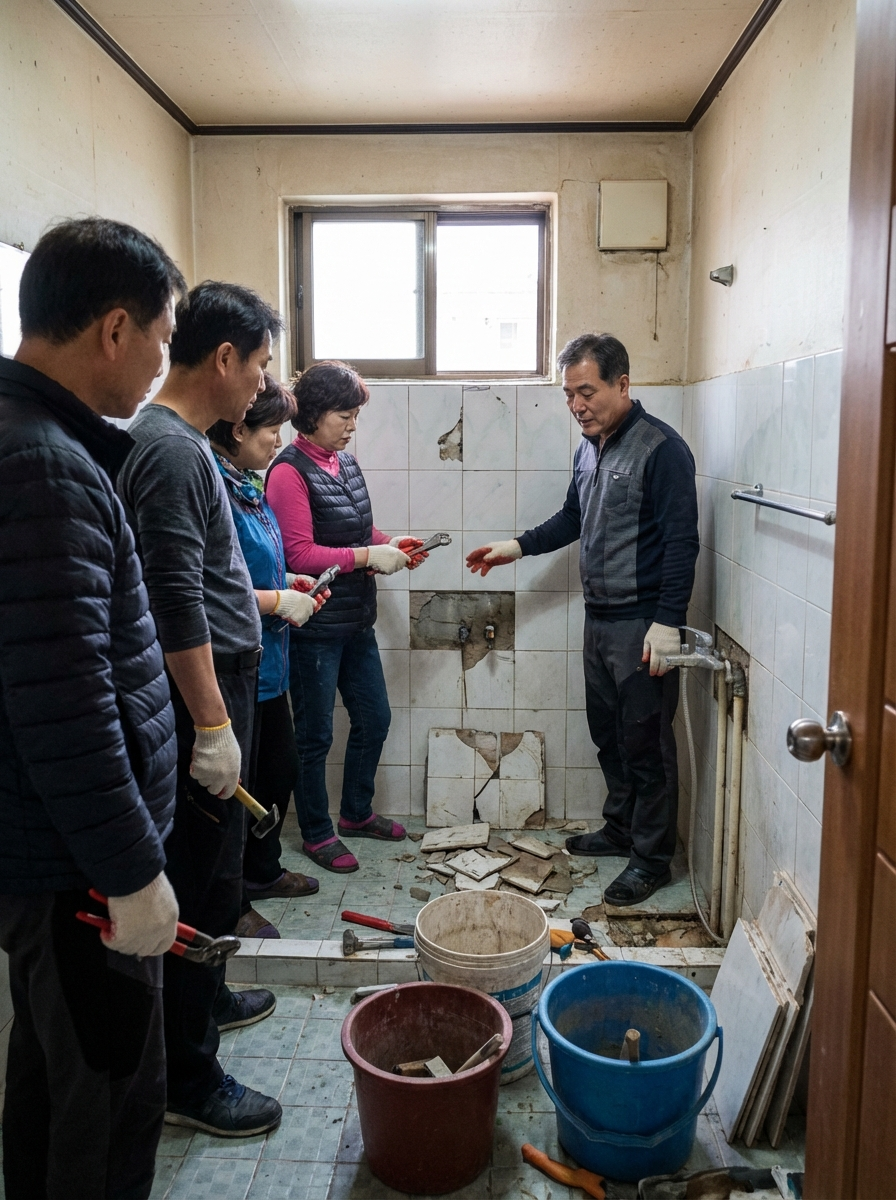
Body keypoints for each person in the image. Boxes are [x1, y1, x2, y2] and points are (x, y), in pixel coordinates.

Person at [0, 217, 184, 1200]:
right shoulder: (47, 465)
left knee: (52, 1080)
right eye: (162, 338)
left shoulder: (35, 440)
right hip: (75, 873)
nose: (160, 364)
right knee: (108, 1108)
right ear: (116, 328)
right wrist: (130, 872)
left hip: (50, 857)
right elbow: (65, 701)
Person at [118, 282, 312, 1138]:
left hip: (227, 679)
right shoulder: (167, 449)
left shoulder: (190, 447)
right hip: (203, 690)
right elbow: (174, 603)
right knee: (198, 875)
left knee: (219, 867)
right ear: (225, 358)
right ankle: (189, 1079)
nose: (262, 383)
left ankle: (208, 997)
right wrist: (211, 724)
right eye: (260, 364)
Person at [466, 333, 699, 907]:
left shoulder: (662, 450)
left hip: (643, 624)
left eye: (586, 392)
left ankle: (651, 860)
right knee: (609, 735)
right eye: (569, 394)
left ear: (622, 384)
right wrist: (516, 547)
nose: (576, 405)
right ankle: (620, 829)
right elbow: (574, 516)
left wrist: (668, 622)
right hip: (600, 619)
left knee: (646, 745)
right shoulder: (590, 448)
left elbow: (682, 543)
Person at [266, 360, 426, 873]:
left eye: (356, 415)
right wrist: (366, 556)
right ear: (313, 414)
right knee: (314, 737)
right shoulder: (288, 472)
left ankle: (356, 813)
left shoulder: (345, 464)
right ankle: (317, 832)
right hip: (314, 626)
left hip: (356, 619)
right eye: (344, 415)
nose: (352, 425)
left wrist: (390, 544)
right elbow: (299, 554)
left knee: (375, 718)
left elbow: (358, 531)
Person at [207, 372, 326, 938]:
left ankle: (263, 871)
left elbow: (251, 567)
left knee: (277, 773)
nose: (278, 441)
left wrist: (289, 583)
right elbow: (206, 589)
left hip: (269, 659)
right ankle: (230, 903)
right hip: (231, 667)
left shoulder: (248, 486)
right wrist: (276, 600)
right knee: (235, 791)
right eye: (271, 430)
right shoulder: (214, 487)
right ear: (237, 430)